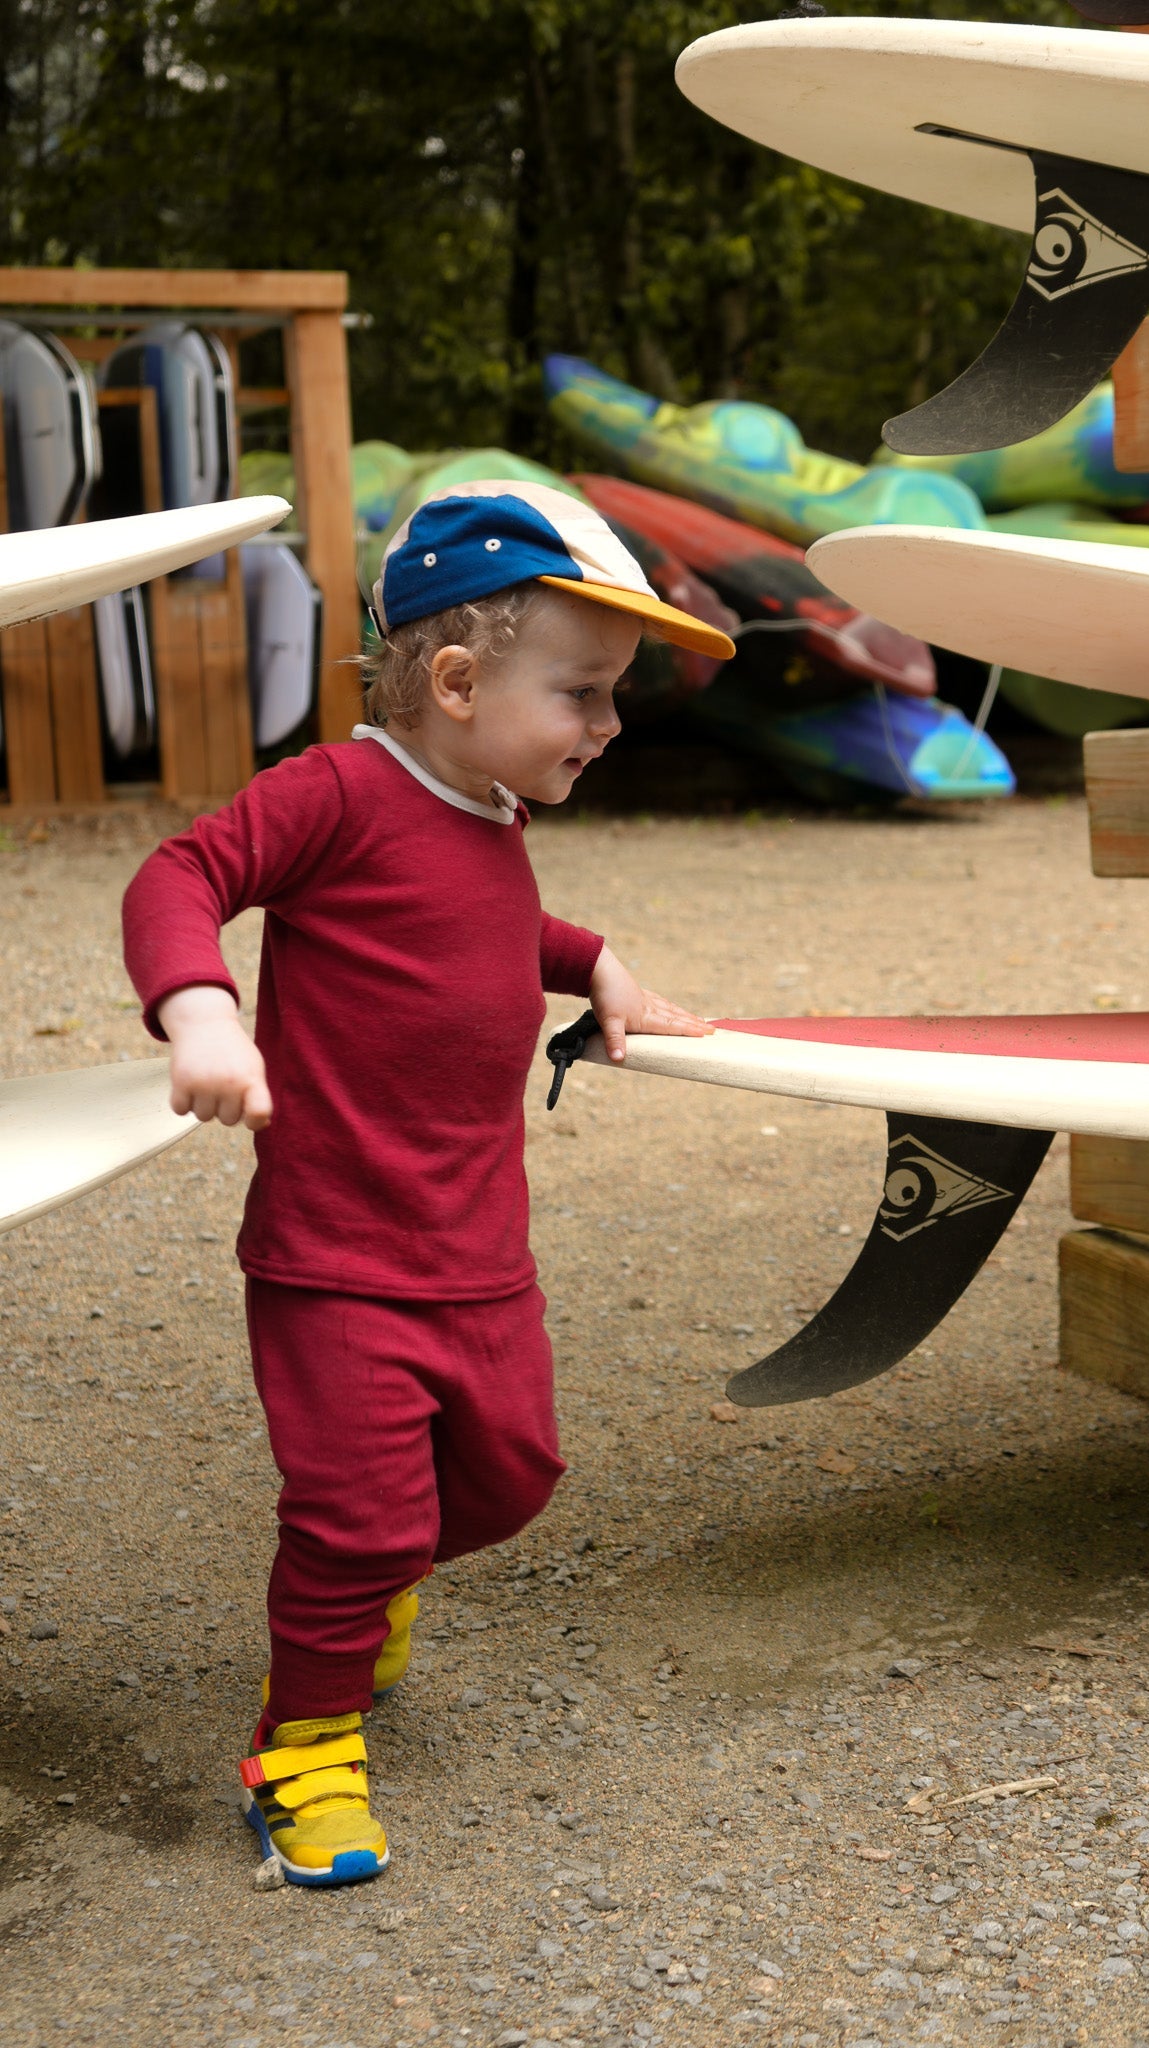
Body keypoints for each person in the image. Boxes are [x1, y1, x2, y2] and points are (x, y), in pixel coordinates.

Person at [122, 480, 732, 1886]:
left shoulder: (492, 814)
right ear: (456, 682)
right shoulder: (335, 793)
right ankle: (304, 1744)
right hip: (336, 1259)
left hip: (478, 1258)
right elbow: (177, 873)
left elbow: (490, 924)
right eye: (583, 692)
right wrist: (200, 1010)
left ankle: (364, 1585)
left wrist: (595, 967)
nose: (610, 725)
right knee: (360, 1517)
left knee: (514, 1479)